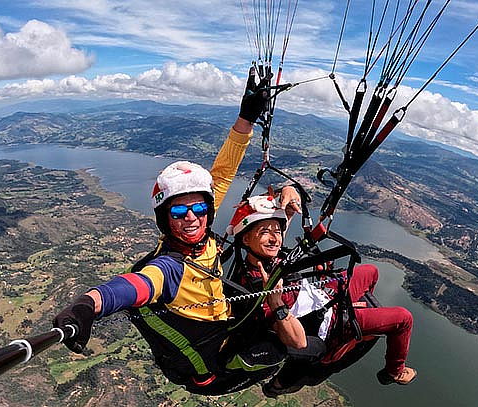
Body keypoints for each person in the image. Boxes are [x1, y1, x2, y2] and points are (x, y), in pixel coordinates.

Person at [53, 69, 297, 396]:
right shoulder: (170, 266)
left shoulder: (200, 225)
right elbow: (134, 286)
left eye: (199, 209)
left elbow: (222, 173)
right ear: (166, 220)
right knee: (280, 350)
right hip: (212, 357)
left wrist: (246, 118)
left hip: (224, 315)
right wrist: (88, 304)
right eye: (179, 212)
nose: (191, 218)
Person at [226, 194, 417, 397]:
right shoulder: (257, 288)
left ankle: (356, 309)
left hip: (325, 295)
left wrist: (287, 206)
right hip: (329, 321)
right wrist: (276, 302)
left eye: (277, 230)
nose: (275, 238)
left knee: (370, 271)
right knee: (403, 319)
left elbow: (273, 236)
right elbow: (298, 342)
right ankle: (393, 371)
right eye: (265, 232)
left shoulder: (263, 257)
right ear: (246, 238)